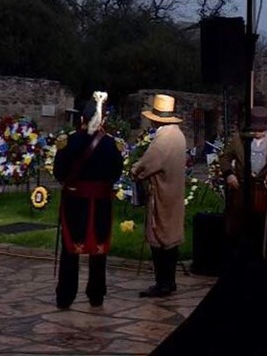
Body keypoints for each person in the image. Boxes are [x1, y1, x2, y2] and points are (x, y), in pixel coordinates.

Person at [53, 92, 123, 309]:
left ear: (82, 119)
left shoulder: (68, 142)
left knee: (70, 250)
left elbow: (59, 172)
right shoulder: (112, 145)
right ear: (102, 121)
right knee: (98, 251)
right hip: (100, 203)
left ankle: (65, 296)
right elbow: (116, 173)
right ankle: (96, 295)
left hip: (75, 203)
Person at [220, 106, 267, 261]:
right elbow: (225, 158)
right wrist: (229, 174)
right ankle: (240, 262)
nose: (258, 133)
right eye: (255, 129)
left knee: (264, 229)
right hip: (242, 190)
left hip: (265, 191)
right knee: (239, 228)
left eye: (261, 130)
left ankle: (262, 261)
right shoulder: (239, 140)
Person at [131, 94, 187, 298]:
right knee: (171, 238)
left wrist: (134, 170)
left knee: (160, 237)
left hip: (162, 195)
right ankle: (169, 281)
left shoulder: (163, 139)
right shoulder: (178, 135)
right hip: (175, 192)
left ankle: (162, 282)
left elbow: (146, 164)